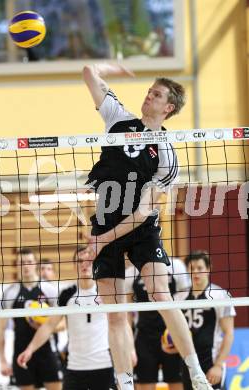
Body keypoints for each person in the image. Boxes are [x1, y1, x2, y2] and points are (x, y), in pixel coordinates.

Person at [80, 62, 213, 390]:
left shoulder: (167, 155)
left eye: (156, 94)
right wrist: (116, 68)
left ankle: (194, 371)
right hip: (105, 219)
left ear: (168, 108)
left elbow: (142, 213)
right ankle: (125, 384)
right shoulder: (119, 118)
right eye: (149, 90)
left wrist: (101, 241)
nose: (148, 96)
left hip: (139, 227)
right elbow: (87, 72)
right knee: (115, 313)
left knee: (159, 292)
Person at [16, 245, 117, 390]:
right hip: (74, 366)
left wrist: (129, 351)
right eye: (79, 261)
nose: (84, 264)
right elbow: (49, 325)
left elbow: (121, 323)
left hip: (104, 364)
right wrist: (29, 350)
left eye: (88, 260)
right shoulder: (66, 294)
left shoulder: (106, 291)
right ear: (74, 265)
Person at [0, 248, 62, 390]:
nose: (26, 266)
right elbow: (0, 329)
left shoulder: (49, 289)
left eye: (29, 262)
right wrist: (2, 360)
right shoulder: (10, 293)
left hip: (47, 351)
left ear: (35, 264)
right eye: (22, 262)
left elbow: (62, 322)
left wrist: (45, 326)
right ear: (17, 265)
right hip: (21, 351)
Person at [172, 251, 235, 390]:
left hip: (211, 362)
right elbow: (172, 330)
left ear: (208, 269)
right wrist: (169, 343)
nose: (195, 272)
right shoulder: (178, 297)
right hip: (187, 362)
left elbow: (229, 333)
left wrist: (218, 365)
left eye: (199, 268)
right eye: (191, 268)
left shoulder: (220, 295)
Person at [125, 258, 191, 390]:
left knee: (177, 383)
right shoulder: (131, 273)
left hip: (171, 335)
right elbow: (127, 312)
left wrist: (182, 336)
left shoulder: (175, 266)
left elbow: (186, 301)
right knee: (145, 385)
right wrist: (130, 346)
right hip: (145, 337)